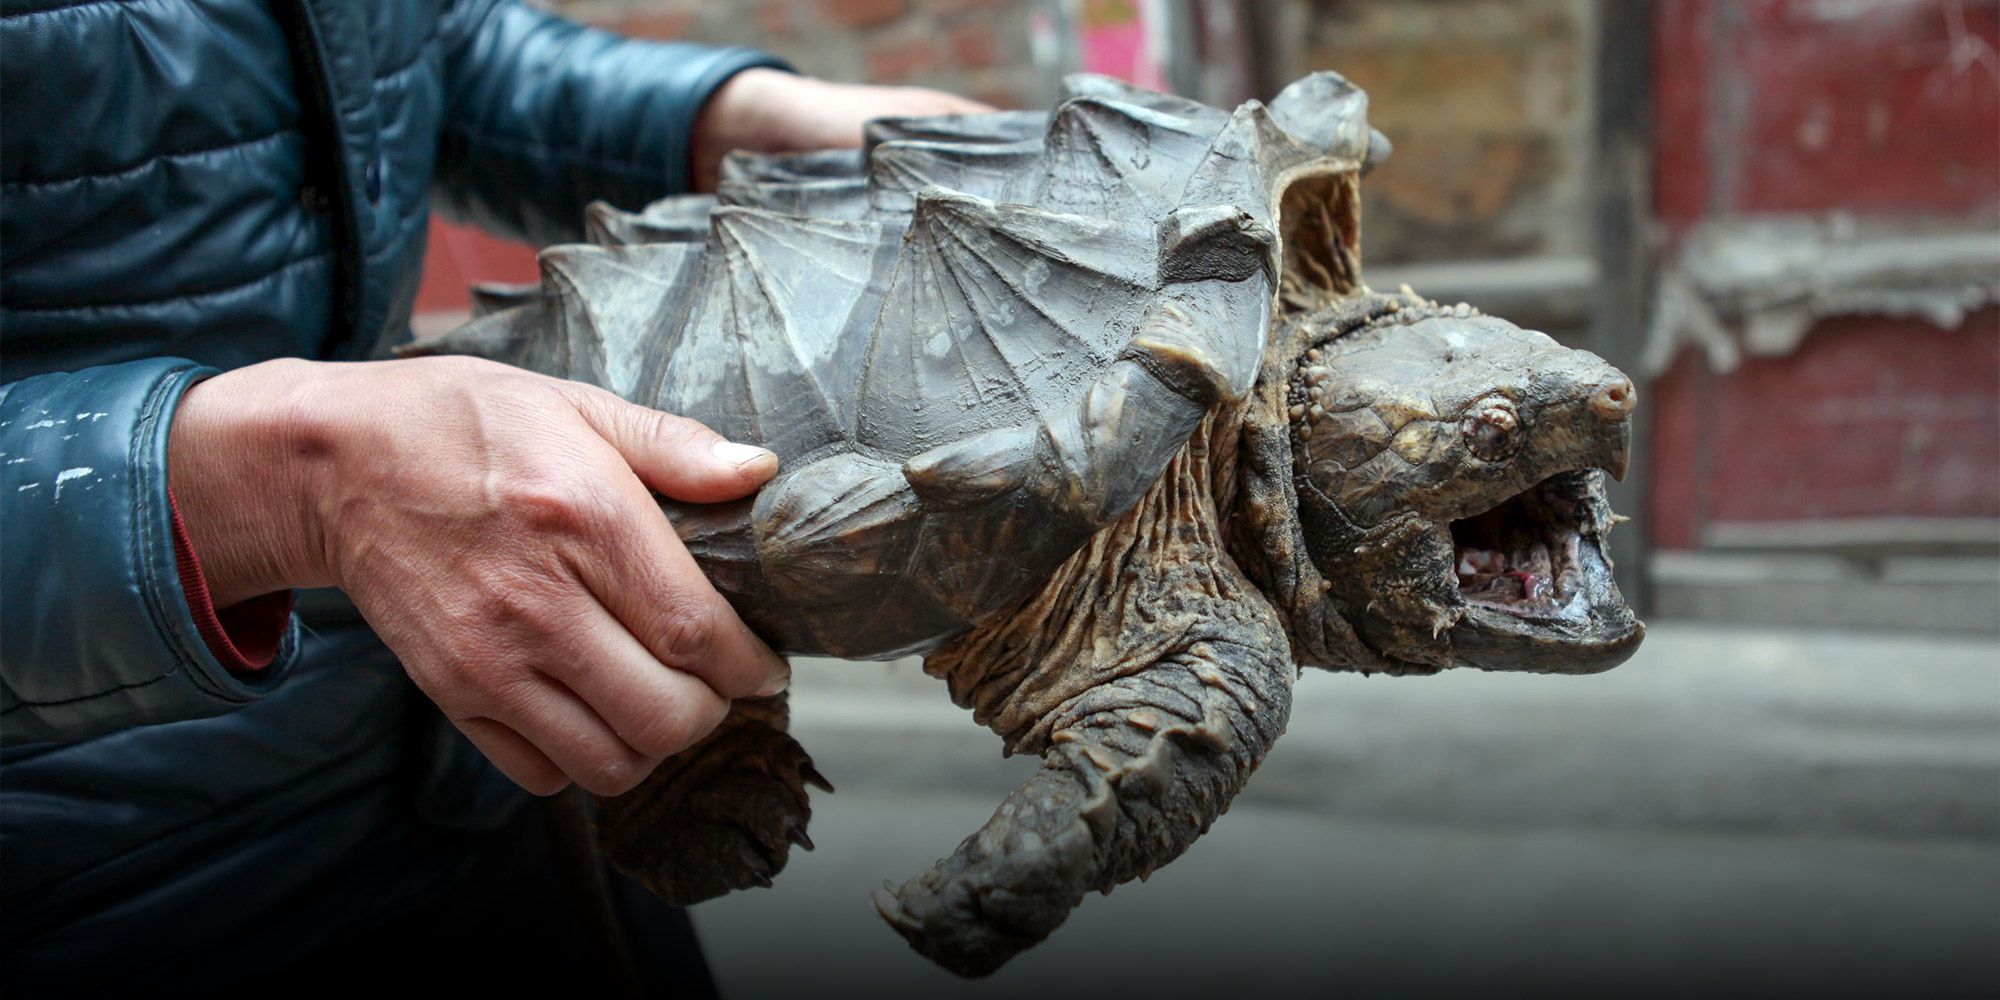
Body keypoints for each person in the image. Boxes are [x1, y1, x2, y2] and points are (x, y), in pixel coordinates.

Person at [0, 1, 986, 993]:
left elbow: (416, 46)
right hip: (94, 866)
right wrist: (288, 486)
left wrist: (713, 120)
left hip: (482, 731)